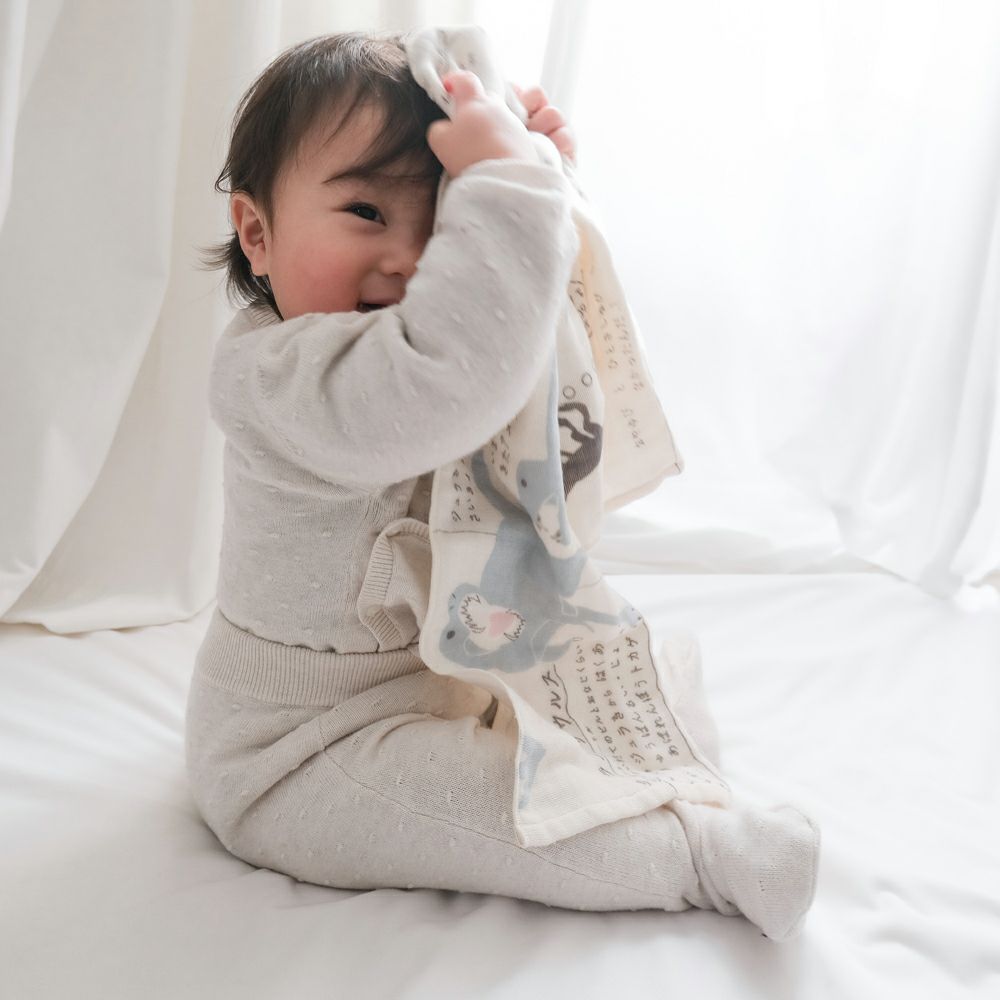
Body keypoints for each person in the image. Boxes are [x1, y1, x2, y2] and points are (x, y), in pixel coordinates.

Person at [185, 29, 820, 942]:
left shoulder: (406, 335)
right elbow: (459, 364)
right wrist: (510, 190)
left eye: (447, 221)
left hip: (439, 676)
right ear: (257, 232)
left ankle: (658, 787)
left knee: (598, 708)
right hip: (300, 749)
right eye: (366, 211)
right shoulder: (278, 379)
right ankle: (698, 859)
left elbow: (518, 318)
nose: (412, 259)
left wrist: (544, 181)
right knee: (503, 817)